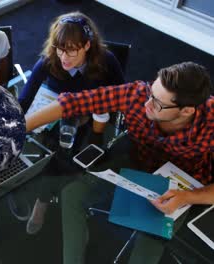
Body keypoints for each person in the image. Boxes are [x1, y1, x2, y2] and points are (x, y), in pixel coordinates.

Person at [26, 61, 213, 263]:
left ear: (187, 111)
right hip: (137, 161)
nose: (146, 104)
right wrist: (21, 128)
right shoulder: (138, 94)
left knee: (148, 245)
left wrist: (188, 197)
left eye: (157, 103)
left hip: (182, 186)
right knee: (71, 194)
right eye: (151, 93)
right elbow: (74, 102)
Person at [18, 12, 124, 133]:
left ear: (87, 45)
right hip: (56, 115)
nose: (63, 57)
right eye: (60, 49)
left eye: (71, 50)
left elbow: (122, 95)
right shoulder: (49, 60)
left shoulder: (107, 59)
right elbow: (24, 100)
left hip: (93, 117)